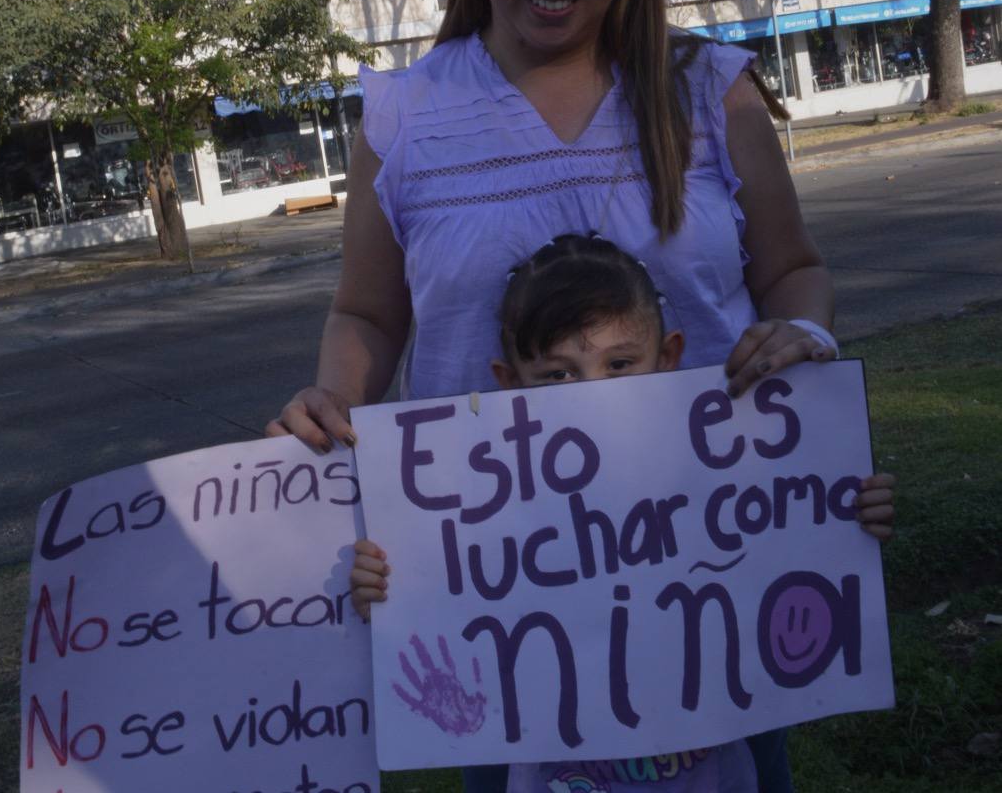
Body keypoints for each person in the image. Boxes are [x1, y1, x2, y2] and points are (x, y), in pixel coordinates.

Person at [267, 0, 842, 791]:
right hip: (492, 593)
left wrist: (799, 333)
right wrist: (335, 404)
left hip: (711, 574)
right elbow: (367, 314)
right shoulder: (402, 120)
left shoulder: (709, 91)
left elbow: (791, 270)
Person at [349, 233, 896, 793]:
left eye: (619, 364)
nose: (592, 394)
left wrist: (846, 516)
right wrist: (389, 593)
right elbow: (444, 608)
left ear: (668, 357)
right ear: (509, 383)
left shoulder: (720, 475)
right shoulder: (487, 513)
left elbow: (788, 539)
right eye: (558, 375)